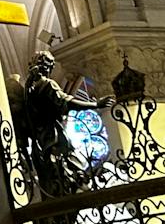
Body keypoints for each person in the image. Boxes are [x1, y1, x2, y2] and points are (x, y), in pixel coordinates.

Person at [14, 51, 113, 196]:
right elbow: (67, 102)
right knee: (70, 179)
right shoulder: (47, 84)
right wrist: (95, 104)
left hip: (40, 145)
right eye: (51, 66)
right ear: (47, 67)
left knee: (53, 186)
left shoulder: (29, 88)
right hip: (54, 141)